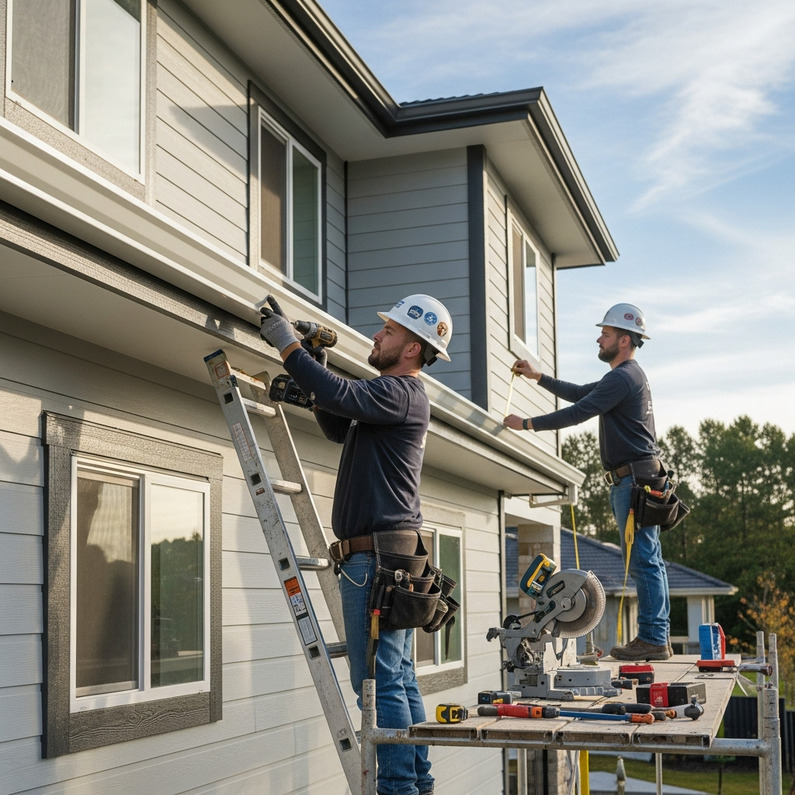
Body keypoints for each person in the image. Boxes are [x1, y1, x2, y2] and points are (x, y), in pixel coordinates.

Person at [260, 293, 453, 795]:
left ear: (412, 348)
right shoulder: (391, 398)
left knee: (378, 680)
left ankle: (396, 788)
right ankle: (415, 782)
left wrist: (287, 344)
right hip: (391, 555)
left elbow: (341, 397)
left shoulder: (401, 392)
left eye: (388, 332)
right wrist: (314, 360)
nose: (376, 336)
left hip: (378, 558)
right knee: (399, 676)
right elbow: (337, 422)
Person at [502, 303, 671, 662]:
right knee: (648, 559)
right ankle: (657, 637)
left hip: (634, 481)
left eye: (605, 334)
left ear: (623, 340)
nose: (599, 338)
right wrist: (538, 377)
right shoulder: (625, 377)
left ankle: (654, 639)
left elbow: (580, 411)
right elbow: (582, 393)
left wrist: (527, 424)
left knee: (643, 562)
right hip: (639, 478)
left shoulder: (624, 377)